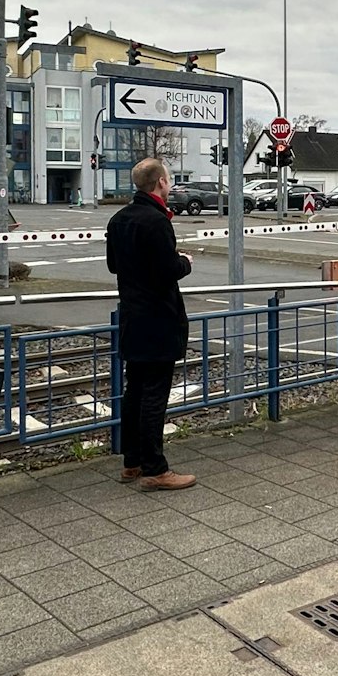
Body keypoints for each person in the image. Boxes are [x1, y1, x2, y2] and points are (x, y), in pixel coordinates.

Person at [105, 158, 197, 490]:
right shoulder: (157, 221)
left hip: (132, 316)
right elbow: (166, 272)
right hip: (159, 319)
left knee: (135, 391)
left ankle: (131, 462)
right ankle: (156, 469)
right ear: (160, 182)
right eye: (168, 180)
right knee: (155, 395)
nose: (169, 185)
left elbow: (113, 265)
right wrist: (184, 262)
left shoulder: (118, 219)